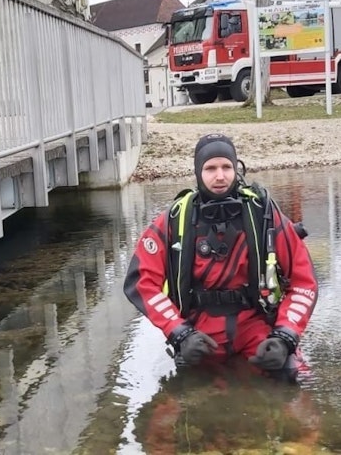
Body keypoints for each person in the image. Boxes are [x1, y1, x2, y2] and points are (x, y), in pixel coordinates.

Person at [123, 133, 319, 383]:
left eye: (227, 167)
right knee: (185, 404)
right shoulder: (173, 220)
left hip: (255, 327)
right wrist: (179, 333)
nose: (220, 176)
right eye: (210, 168)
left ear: (236, 169)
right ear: (198, 172)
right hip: (199, 335)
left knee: (292, 377)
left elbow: (304, 282)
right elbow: (141, 281)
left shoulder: (264, 215)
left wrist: (285, 337)